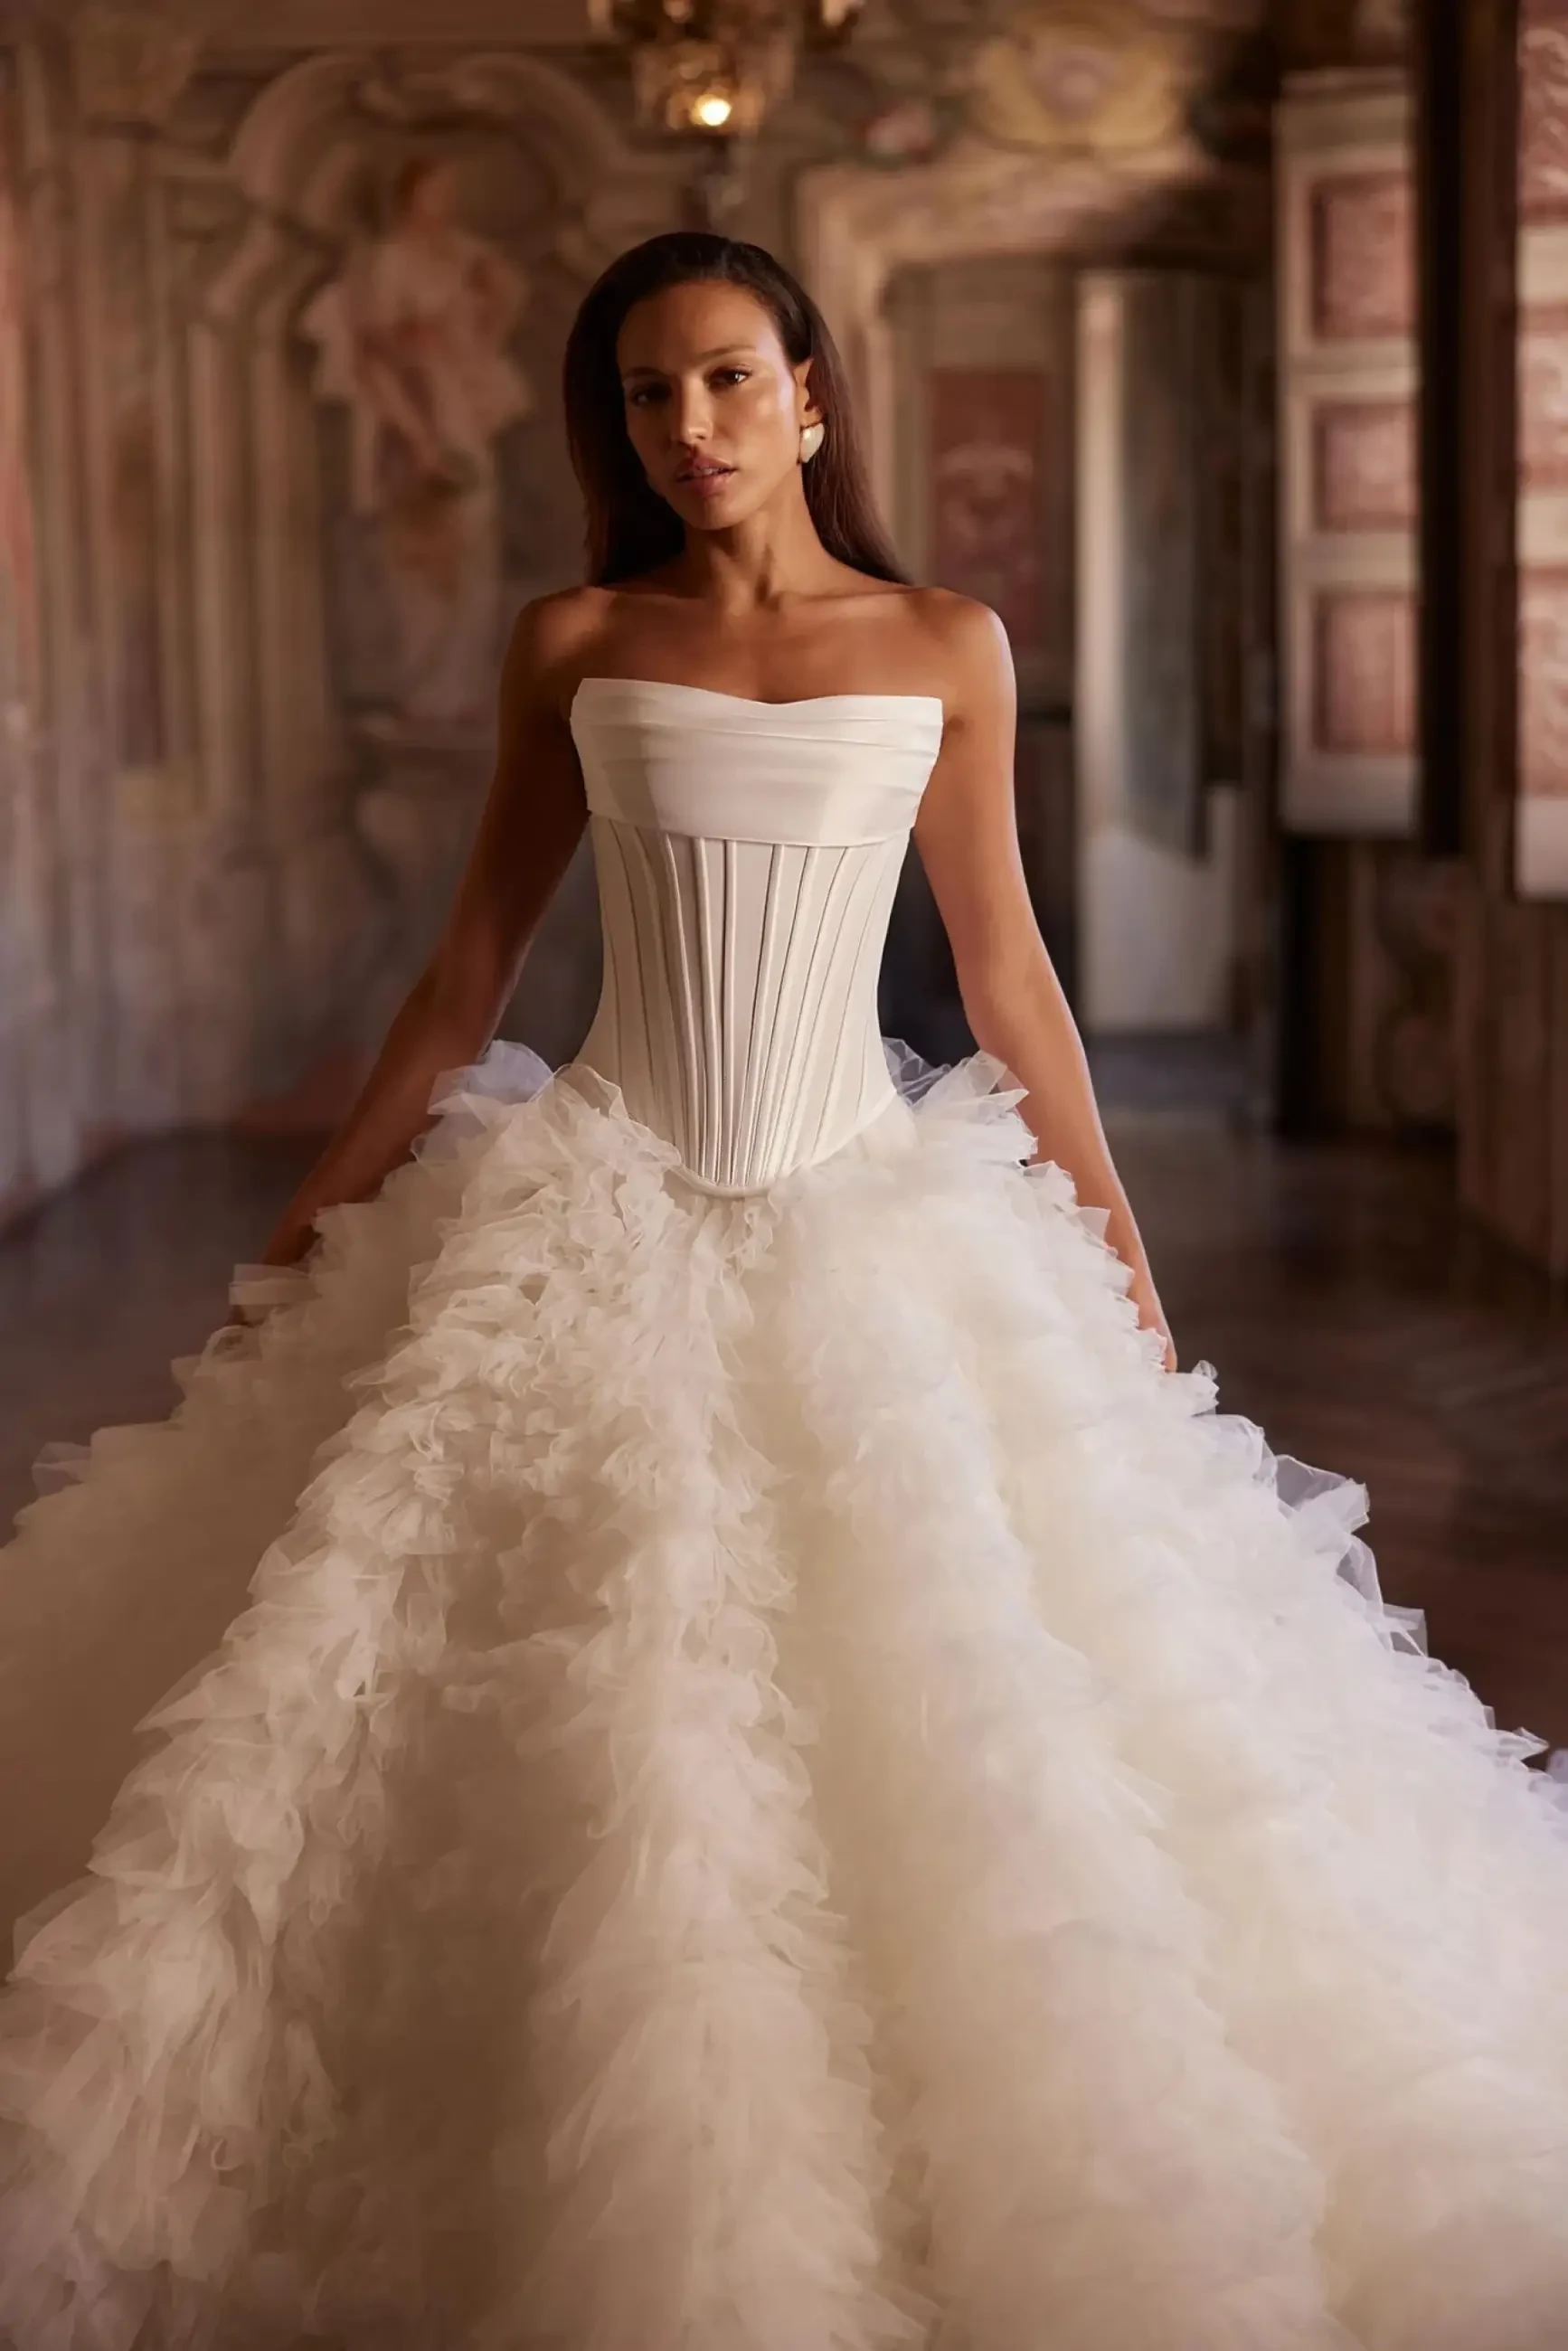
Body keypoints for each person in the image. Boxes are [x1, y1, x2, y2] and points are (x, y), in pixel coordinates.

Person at [2, 230, 1568, 2351]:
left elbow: (1008, 975)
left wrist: (1117, 1247)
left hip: (867, 1205)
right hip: (598, 1202)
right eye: (650, 396)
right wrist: (305, 1226)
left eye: (729, 381)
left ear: (812, 392)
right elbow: (469, 973)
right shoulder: (574, 637)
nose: (693, 429)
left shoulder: (944, 641)